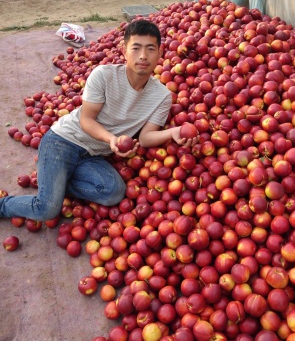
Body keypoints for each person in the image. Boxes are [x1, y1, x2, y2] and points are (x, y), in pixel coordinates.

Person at [0, 19, 198, 221]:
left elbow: (146, 138)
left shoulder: (162, 96)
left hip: (93, 154)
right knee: (47, 209)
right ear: (124, 51)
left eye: (150, 49)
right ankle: (3, 206)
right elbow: (86, 120)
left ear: (160, 53)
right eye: (136, 48)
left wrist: (173, 132)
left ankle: (56, 183)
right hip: (64, 141)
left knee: (113, 192)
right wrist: (112, 139)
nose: (143, 56)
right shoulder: (103, 75)